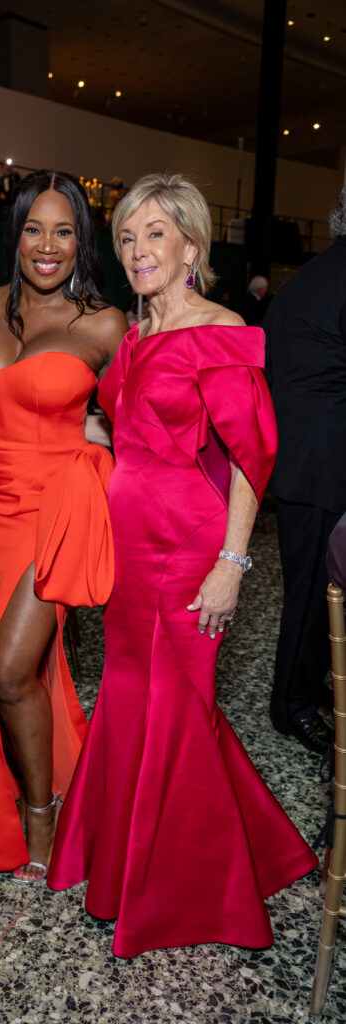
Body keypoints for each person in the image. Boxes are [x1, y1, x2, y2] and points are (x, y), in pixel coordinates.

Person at [47, 172, 318, 957]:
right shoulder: (135, 336)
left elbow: (252, 456)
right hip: (128, 552)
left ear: (191, 246)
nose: (137, 251)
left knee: (176, 705)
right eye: (126, 238)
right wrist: (91, 441)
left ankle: (184, 893)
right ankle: (234, 850)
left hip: (190, 547)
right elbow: (131, 430)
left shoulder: (219, 330)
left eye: (154, 235)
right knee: (139, 699)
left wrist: (232, 562)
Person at [0, 170, 128, 880]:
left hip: (54, 517)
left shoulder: (104, 324)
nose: (46, 246)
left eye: (63, 231)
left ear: (81, 240)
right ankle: (52, 788)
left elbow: (141, 430)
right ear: (14, 233)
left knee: (9, 667)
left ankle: (40, 812)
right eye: (33, 228)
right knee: (5, 675)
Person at [266, 187, 346, 755]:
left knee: (317, 590)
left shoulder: (321, 268)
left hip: (303, 454)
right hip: (319, 461)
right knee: (314, 594)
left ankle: (305, 684)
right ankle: (289, 707)